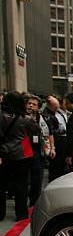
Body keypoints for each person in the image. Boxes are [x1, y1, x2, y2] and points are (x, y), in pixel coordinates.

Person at [0, 92, 39, 221]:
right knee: (21, 185)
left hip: (4, 154)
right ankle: (21, 213)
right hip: (21, 155)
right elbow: (36, 130)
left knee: (2, 185)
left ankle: (0, 213)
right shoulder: (25, 119)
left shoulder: (1, 117)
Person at [26, 95, 54, 207]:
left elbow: (50, 134)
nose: (31, 106)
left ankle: (34, 203)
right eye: (29, 103)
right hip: (25, 152)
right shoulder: (21, 118)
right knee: (25, 180)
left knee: (37, 179)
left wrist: (52, 148)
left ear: (38, 107)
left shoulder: (44, 118)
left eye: (34, 104)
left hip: (39, 152)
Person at [44, 96, 68, 181]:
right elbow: (51, 132)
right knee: (55, 167)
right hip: (56, 142)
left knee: (61, 166)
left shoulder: (61, 113)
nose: (56, 109)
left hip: (62, 142)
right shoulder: (47, 115)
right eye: (55, 108)